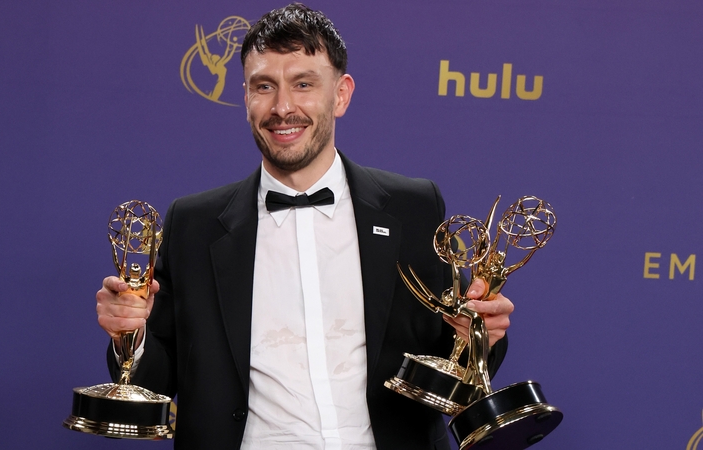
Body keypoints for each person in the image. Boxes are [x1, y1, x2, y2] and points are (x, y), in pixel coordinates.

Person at [96, 4, 514, 449]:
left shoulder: (413, 208)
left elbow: (452, 356)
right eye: (264, 86)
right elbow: (156, 379)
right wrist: (130, 335)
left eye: (303, 84)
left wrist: (479, 337)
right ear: (245, 96)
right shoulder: (194, 224)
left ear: (341, 94)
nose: (282, 107)